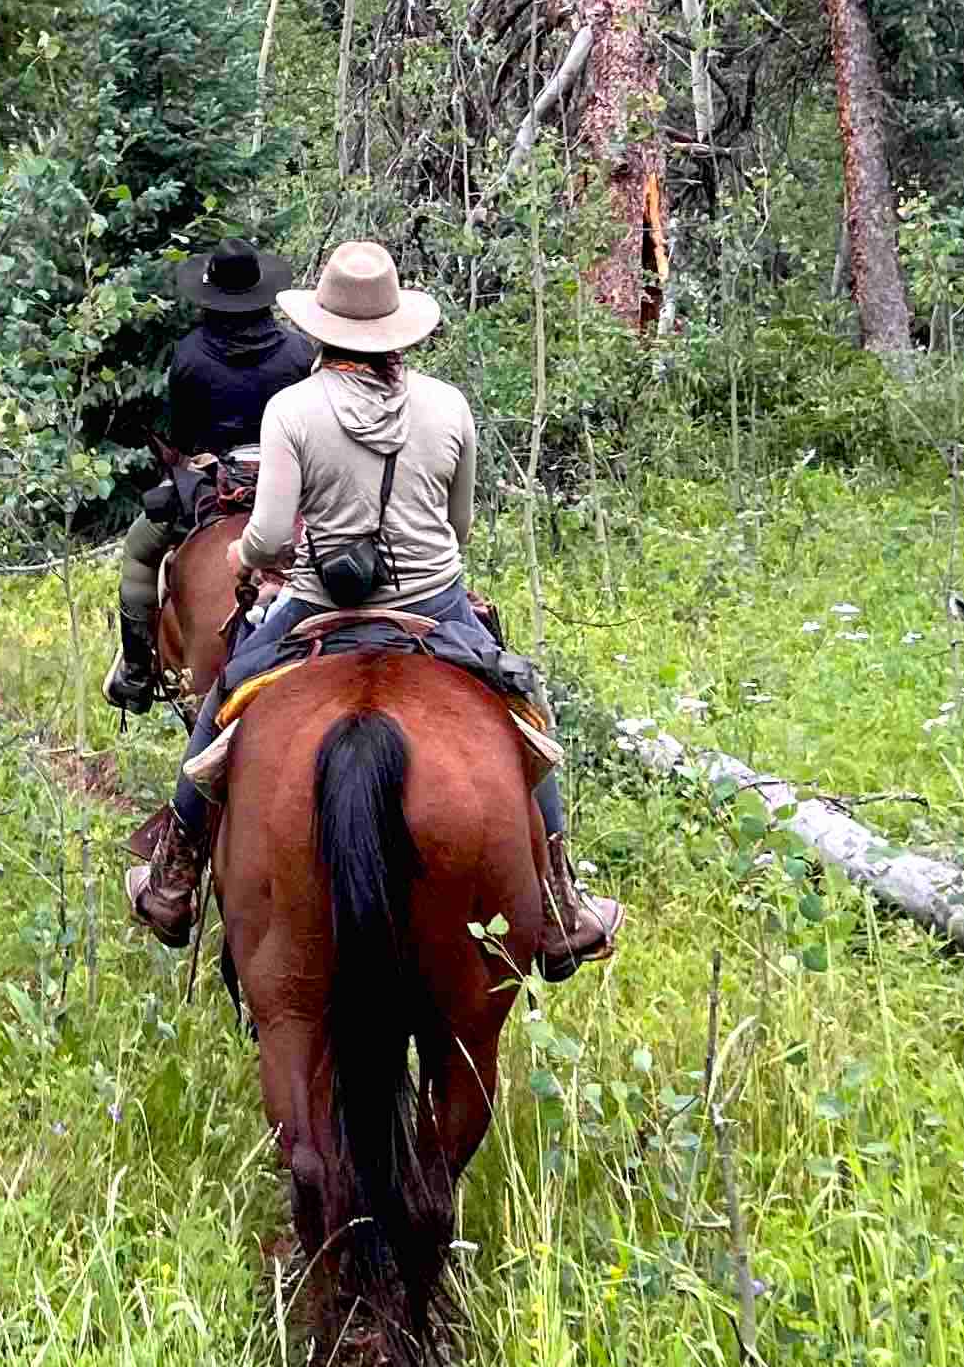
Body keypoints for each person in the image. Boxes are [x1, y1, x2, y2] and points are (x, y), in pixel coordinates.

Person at [132, 238, 621, 975]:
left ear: (321, 327)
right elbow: (458, 530)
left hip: (318, 601)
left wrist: (242, 557)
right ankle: (558, 897)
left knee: (226, 697)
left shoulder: (294, 409)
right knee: (523, 706)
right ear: (398, 328)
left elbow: (267, 535)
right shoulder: (449, 406)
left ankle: (175, 873)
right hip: (434, 600)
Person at [103, 242, 315, 714]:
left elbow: (183, 436)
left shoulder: (191, 355)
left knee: (140, 553)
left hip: (217, 478)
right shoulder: (299, 350)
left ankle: (136, 672)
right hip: (296, 480)